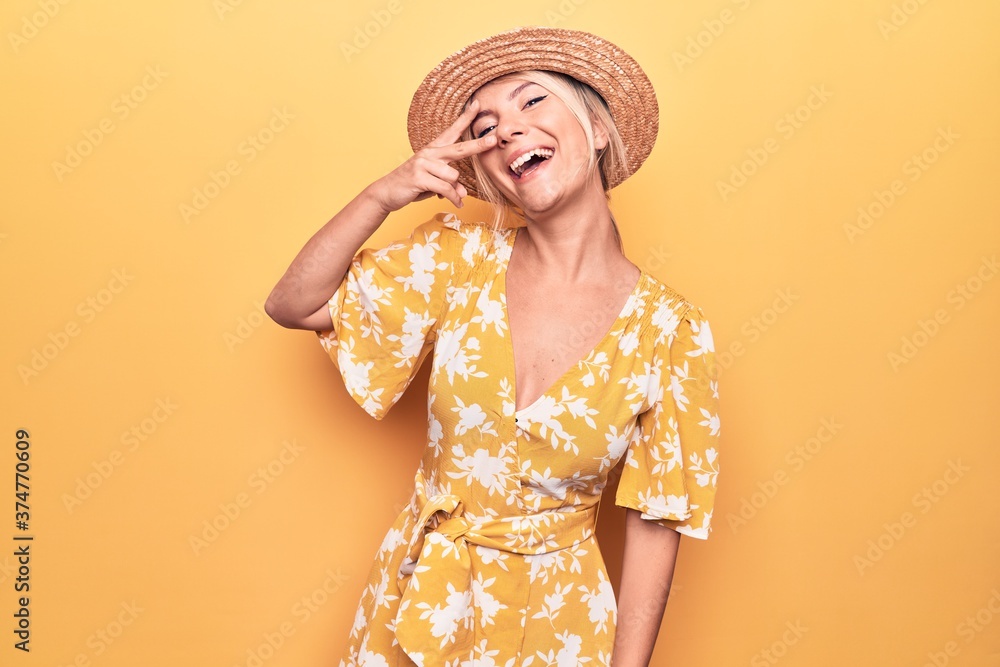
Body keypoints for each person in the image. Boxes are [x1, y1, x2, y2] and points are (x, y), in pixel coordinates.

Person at [265, 25, 720, 667]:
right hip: (417, 605)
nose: (507, 130)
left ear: (596, 129)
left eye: (531, 100)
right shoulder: (457, 259)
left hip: (558, 628)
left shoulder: (671, 332)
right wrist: (382, 195)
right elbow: (294, 304)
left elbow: (657, 521)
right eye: (486, 127)